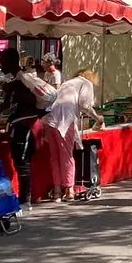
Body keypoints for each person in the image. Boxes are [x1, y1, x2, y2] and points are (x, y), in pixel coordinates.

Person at [42, 70, 104, 202]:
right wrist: (97, 118)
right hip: (65, 121)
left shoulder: (67, 83)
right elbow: (84, 105)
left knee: (55, 156)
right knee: (67, 156)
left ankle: (57, 191)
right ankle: (69, 190)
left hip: (49, 120)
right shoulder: (86, 83)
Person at [0, 48, 48, 210]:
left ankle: (25, 199)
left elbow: (30, 102)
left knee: (22, 163)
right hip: (17, 126)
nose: (1, 67)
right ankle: (23, 198)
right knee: (18, 161)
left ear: (11, 62)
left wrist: (12, 88)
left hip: (26, 127)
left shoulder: (24, 81)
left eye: (3, 63)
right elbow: (6, 104)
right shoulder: (14, 82)